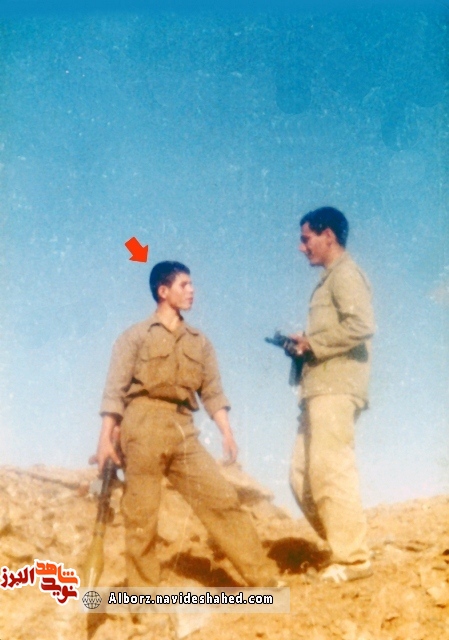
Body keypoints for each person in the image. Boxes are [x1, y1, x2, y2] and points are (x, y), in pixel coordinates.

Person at [96, 260, 279, 588]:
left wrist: (226, 431)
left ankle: (264, 580)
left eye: (192, 284)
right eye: (184, 285)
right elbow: (114, 391)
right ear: (163, 291)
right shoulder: (135, 336)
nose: (192, 291)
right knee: (142, 516)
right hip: (143, 422)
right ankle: (143, 598)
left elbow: (212, 392)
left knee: (220, 498)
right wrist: (104, 440)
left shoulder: (199, 342)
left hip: (183, 427)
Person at [287, 207, 375, 583]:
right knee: (300, 474)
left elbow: (362, 325)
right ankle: (346, 545)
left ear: (328, 236)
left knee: (330, 469)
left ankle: (353, 559)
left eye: (306, 238)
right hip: (317, 389)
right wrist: (303, 346)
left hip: (337, 388)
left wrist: (313, 343)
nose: (301, 247)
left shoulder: (345, 274)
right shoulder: (328, 280)